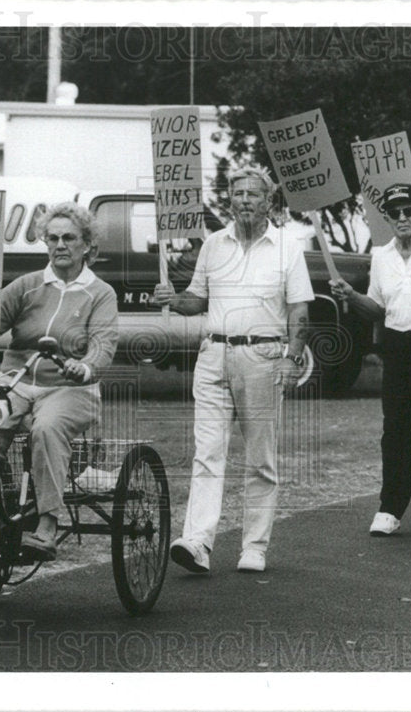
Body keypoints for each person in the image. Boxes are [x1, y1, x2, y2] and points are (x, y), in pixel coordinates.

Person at [0, 202, 119, 560]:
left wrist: (86, 367)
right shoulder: (27, 287)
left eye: (69, 238)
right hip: (14, 383)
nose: (60, 245)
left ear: (87, 245)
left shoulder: (100, 293)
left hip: (69, 387)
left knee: (45, 429)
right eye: (52, 238)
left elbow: (103, 345)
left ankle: (46, 525)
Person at [152, 166, 313, 574]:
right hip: (213, 356)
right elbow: (196, 299)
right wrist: (172, 298)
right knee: (207, 452)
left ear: (269, 202)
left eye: (253, 194)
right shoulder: (213, 245)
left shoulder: (287, 247)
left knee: (260, 456)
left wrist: (293, 357)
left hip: (262, 357)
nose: (243, 200)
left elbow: (299, 309)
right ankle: (198, 542)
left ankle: (254, 546)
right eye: (237, 193)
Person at [330, 183, 411, 537]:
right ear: (387, 218)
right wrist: (352, 295)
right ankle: (390, 507)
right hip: (398, 347)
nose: (403, 218)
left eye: (409, 211)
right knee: (395, 432)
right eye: (395, 213)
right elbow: (377, 308)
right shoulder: (382, 255)